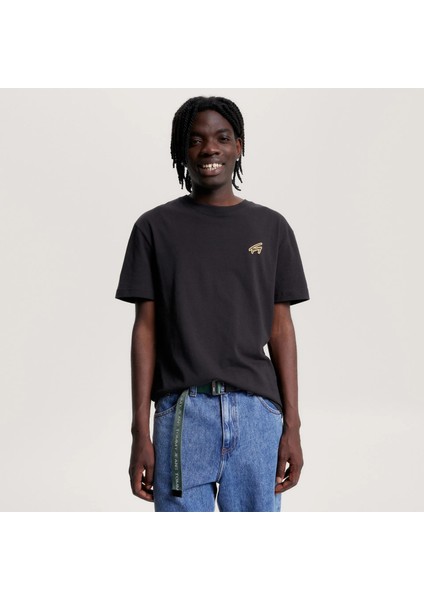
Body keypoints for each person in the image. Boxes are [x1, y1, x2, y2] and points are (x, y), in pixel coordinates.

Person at [115, 95, 310, 512]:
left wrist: (292, 425)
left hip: (257, 416)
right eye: (195, 140)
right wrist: (140, 431)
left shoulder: (272, 227)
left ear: (239, 146)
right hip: (181, 416)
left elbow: (281, 330)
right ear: (180, 151)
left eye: (222, 138)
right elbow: (145, 330)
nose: (209, 149)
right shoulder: (154, 228)